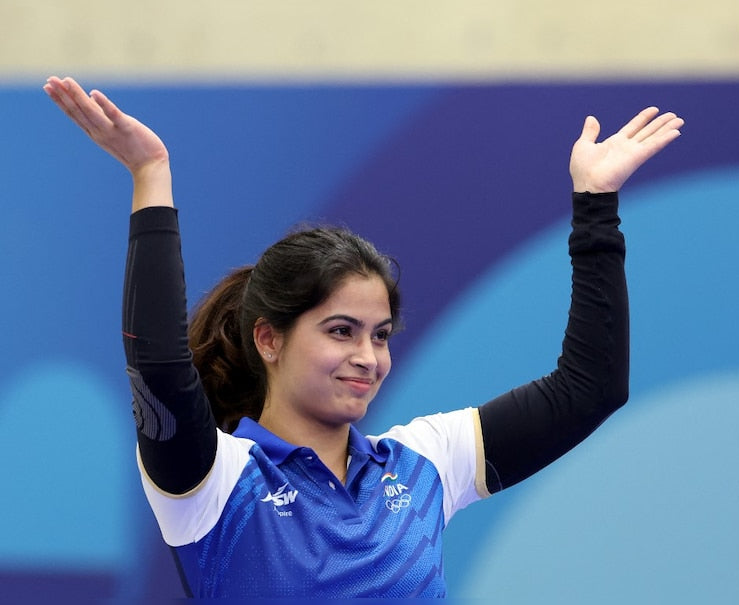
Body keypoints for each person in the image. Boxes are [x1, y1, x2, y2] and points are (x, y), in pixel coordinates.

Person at [43, 75, 684, 598]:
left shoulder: (425, 464)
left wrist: (595, 205)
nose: (367, 357)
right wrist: (151, 173)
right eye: (340, 331)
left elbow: (591, 388)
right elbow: (157, 363)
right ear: (269, 340)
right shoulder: (212, 483)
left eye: (380, 336)